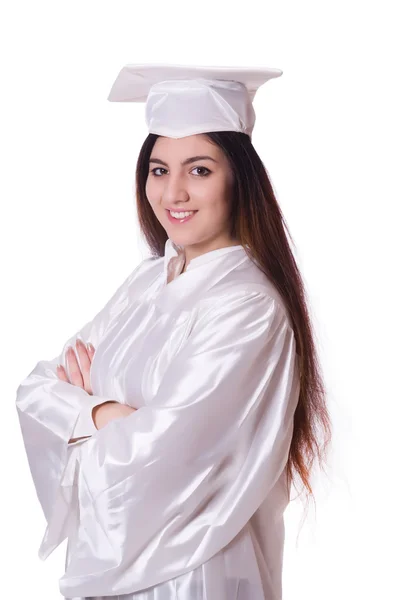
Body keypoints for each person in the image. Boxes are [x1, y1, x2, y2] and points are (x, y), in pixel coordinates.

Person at [16, 64, 332, 600]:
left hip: (194, 576)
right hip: (122, 578)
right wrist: (105, 415)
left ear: (240, 179)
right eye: (159, 170)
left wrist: (82, 413)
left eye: (200, 170)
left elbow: (166, 460)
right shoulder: (147, 282)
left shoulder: (247, 307)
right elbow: (35, 390)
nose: (174, 192)